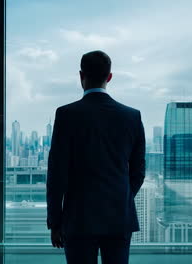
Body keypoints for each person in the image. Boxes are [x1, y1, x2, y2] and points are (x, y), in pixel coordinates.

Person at [46, 50, 146, 264]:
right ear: (109, 77)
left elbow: (57, 174)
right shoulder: (132, 116)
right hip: (118, 216)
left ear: (81, 76)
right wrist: (122, 197)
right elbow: (138, 171)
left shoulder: (66, 114)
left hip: (78, 217)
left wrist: (55, 222)